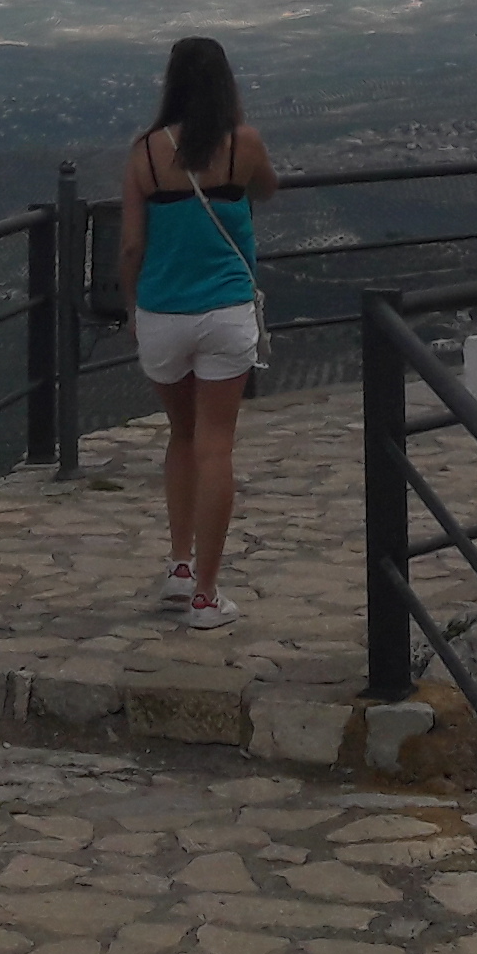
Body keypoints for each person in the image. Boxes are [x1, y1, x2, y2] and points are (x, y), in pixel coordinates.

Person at [118, 35, 279, 630]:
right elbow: (266, 189)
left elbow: (133, 244)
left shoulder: (144, 154)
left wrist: (132, 307)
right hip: (225, 312)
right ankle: (207, 597)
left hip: (162, 313)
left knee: (181, 436)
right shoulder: (245, 145)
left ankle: (179, 566)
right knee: (217, 445)